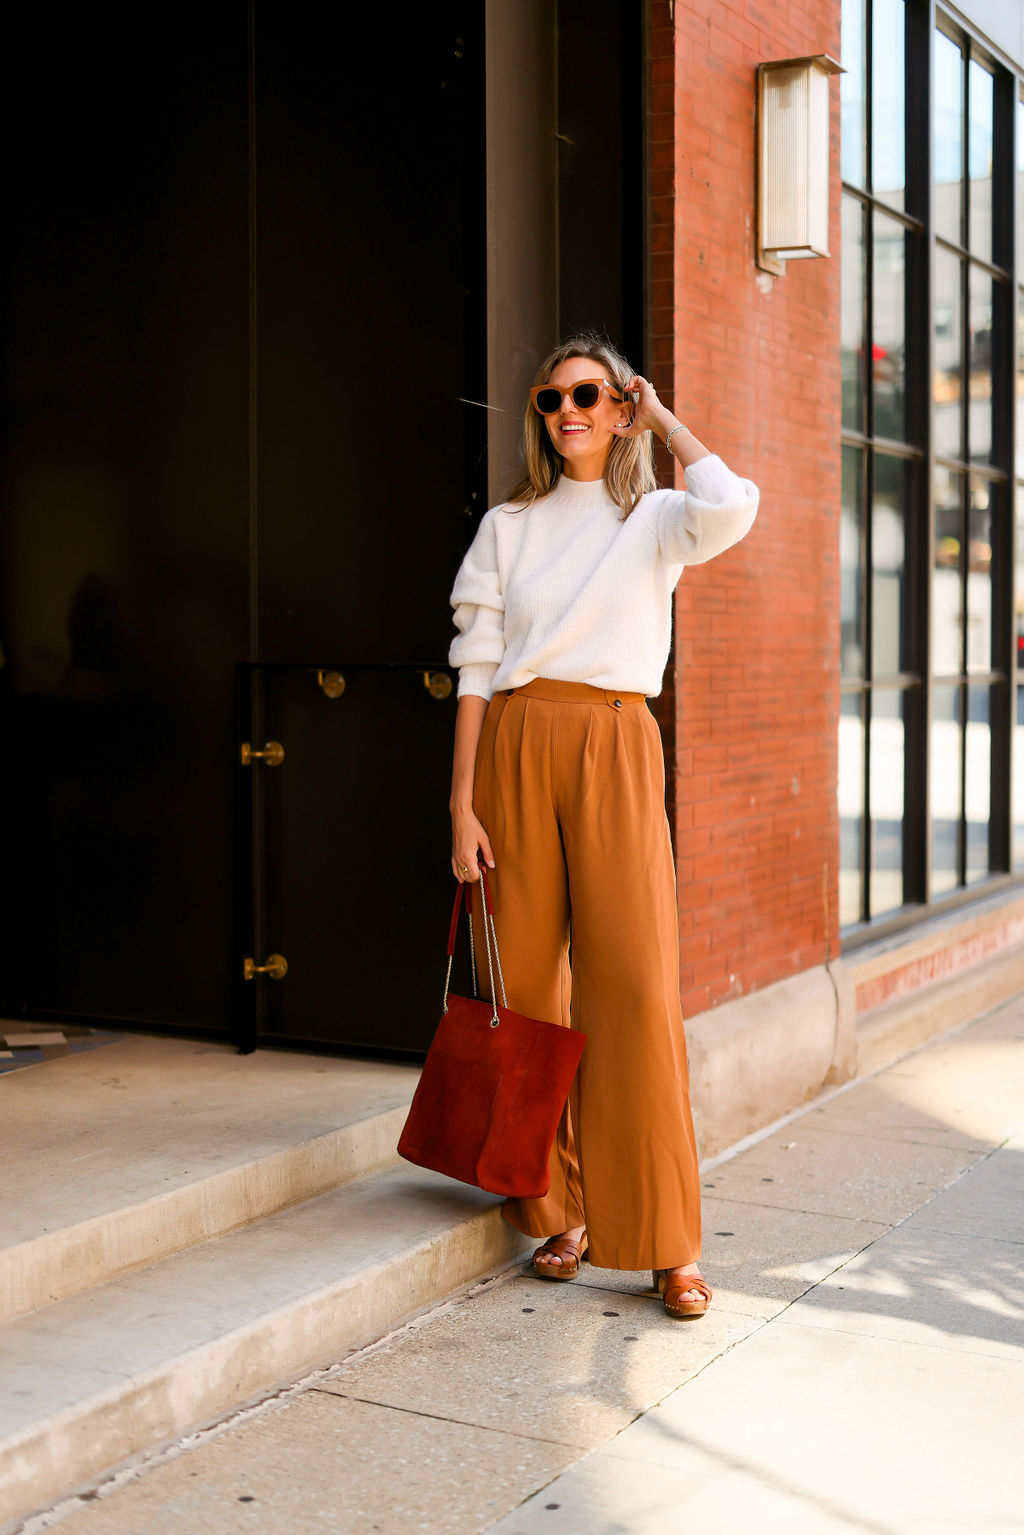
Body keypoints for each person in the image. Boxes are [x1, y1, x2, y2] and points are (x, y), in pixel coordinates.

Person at [446, 332, 758, 1318]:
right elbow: (476, 665)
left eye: (587, 394)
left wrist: (661, 419)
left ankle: (669, 1240)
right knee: (529, 984)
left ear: (618, 404)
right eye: (551, 400)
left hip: (619, 742)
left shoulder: (657, 516)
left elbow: (734, 505)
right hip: (518, 743)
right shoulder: (508, 524)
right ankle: (560, 1208)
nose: (567, 412)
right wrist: (460, 804)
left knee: (633, 983)